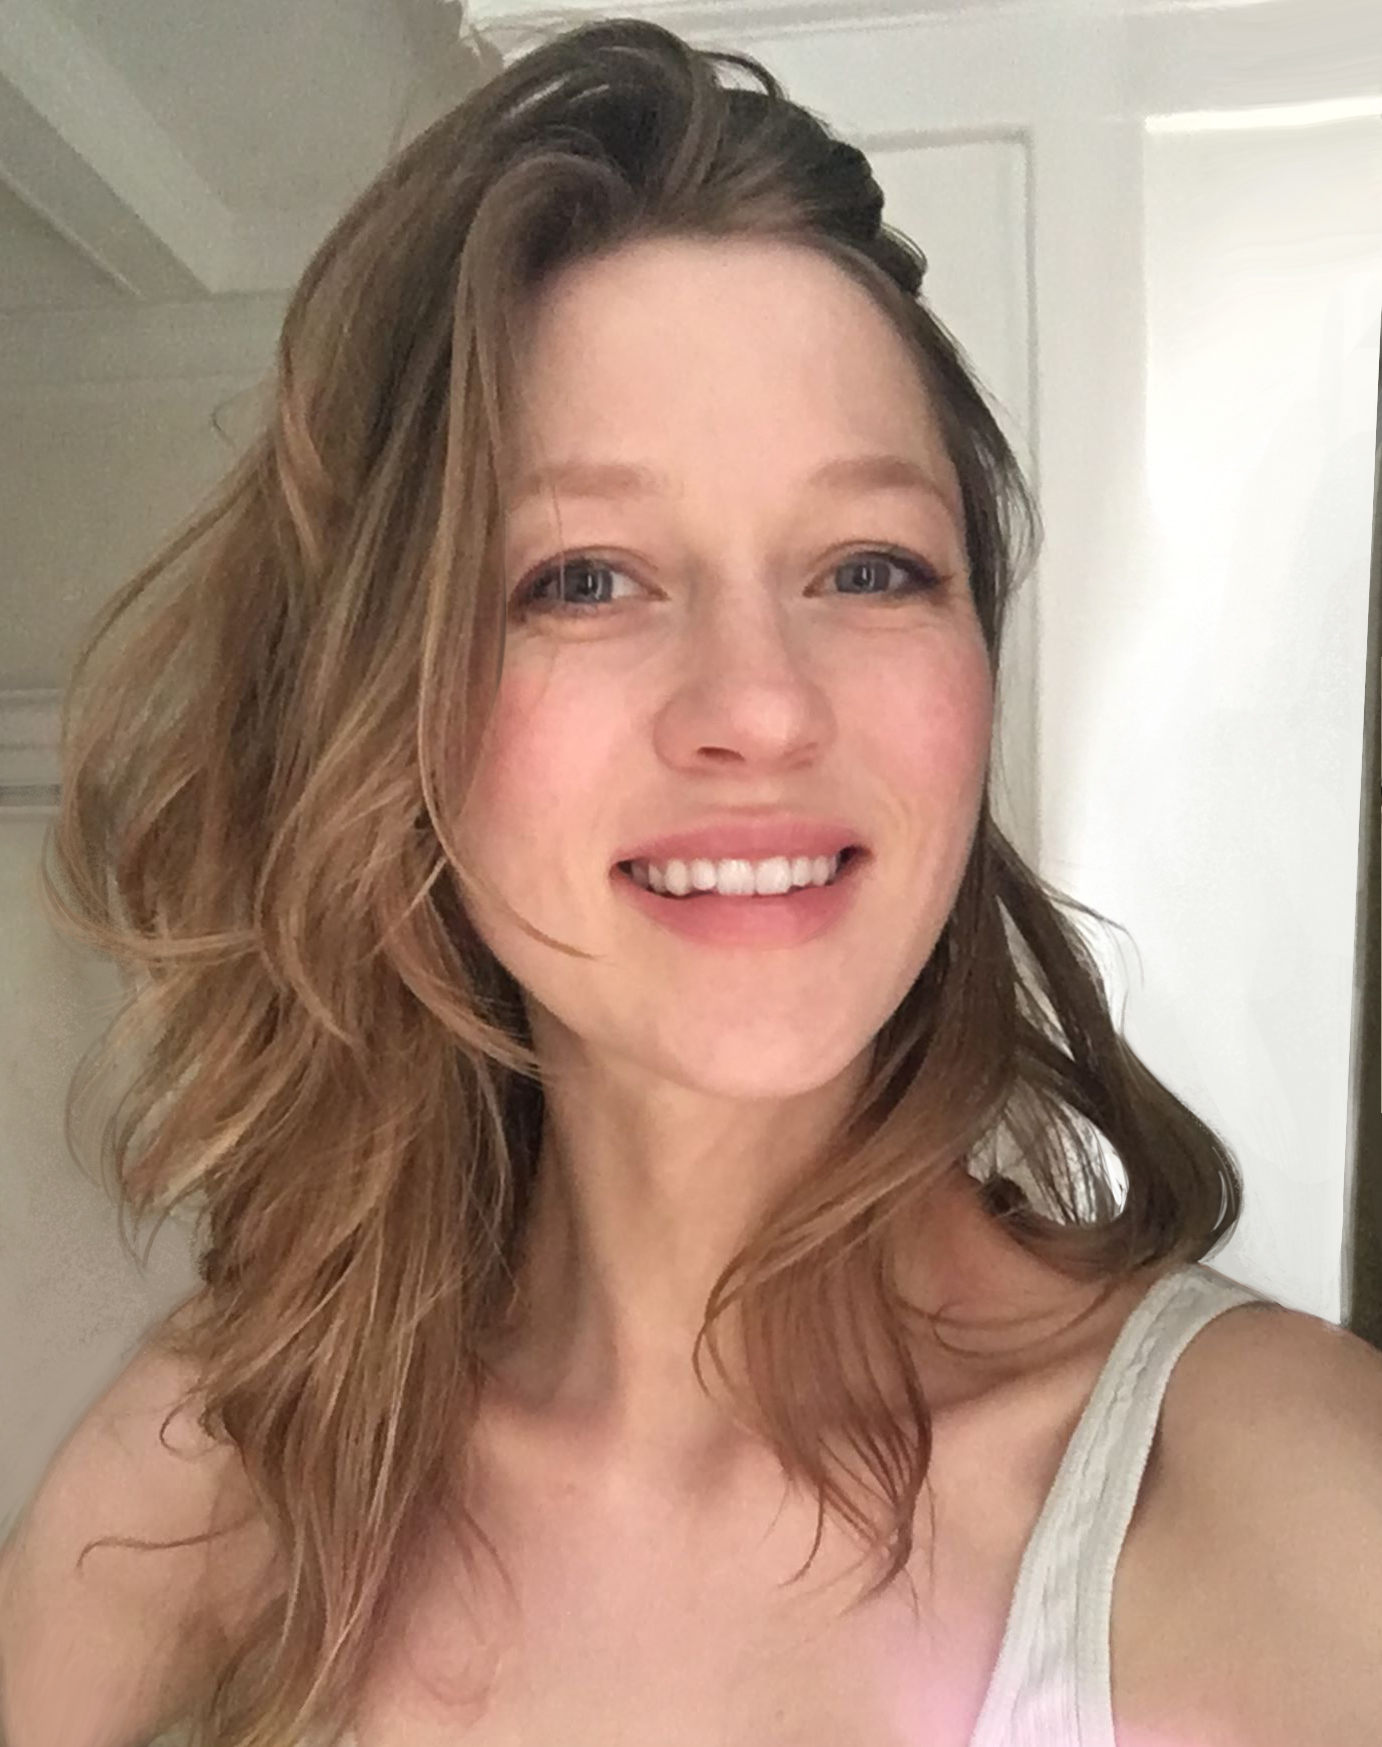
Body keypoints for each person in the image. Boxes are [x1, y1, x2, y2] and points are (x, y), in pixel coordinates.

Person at [2, 17, 1380, 1747]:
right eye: (584, 579)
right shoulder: (210, 1485)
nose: (762, 707)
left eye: (868, 567)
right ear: (388, 708)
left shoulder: (1297, 1515)